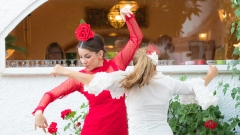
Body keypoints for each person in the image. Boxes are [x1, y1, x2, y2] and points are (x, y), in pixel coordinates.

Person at [50, 45, 219, 135]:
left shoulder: (128, 81)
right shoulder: (167, 82)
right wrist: (211, 74)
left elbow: (96, 80)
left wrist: (66, 71)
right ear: (156, 64)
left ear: (135, 65)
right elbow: (194, 87)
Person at [33, 5, 143, 135]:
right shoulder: (80, 78)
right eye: (80, 57)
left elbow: (136, 38)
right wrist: (39, 111)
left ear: (100, 54)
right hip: (93, 130)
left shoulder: (117, 65)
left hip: (119, 130)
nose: (83, 61)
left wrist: (128, 16)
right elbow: (51, 94)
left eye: (88, 56)